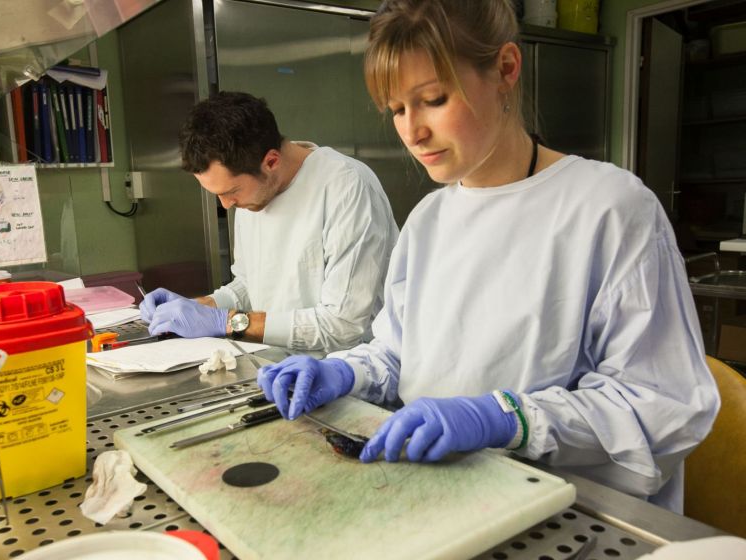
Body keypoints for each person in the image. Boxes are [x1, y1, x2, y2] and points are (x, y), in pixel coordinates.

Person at [257, 0, 720, 514]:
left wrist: (508, 418)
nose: (413, 131)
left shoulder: (609, 209)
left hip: (563, 512)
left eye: (432, 99)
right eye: (397, 110)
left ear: (504, 69)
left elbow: (660, 404)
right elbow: (400, 355)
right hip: (438, 497)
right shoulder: (429, 220)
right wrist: (344, 372)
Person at [140, 92, 399, 354]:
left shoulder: (346, 186)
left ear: (271, 161)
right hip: (274, 367)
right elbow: (250, 286)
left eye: (230, 191)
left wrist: (227, 322)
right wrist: (201, 306)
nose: (226, 204)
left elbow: (342, 326)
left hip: (349, 375)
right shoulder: (253, 194)